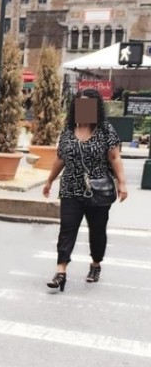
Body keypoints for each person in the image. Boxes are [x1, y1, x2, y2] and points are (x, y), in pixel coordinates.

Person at [43, 88, 128, 292]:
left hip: (98, 189)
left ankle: (95, 264)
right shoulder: (68, 130)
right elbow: (60, 158)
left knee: (97, 231)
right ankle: (61, 271)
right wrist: (49, 180)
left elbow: (114, 157)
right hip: (71, 188)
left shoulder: (105, 129)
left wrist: (122, 183)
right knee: (67, 230)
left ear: (96, 107)